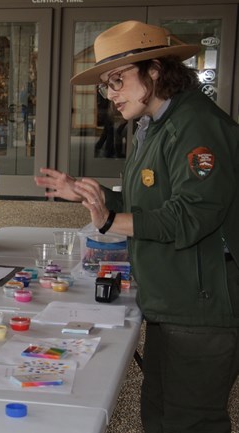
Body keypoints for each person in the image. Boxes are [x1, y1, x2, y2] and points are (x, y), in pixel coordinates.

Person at [35, 20, 239, 433]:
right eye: (105, 85)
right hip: (173, 296)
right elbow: (149, 204)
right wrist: (94, 197)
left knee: (191, 419)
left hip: (202, 304)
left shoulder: (195, 125)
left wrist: (111, 220)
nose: (110, 94)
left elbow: (192, 215)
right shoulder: (159, 125)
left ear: (156, 70)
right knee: (160, 411)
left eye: (117, 80)